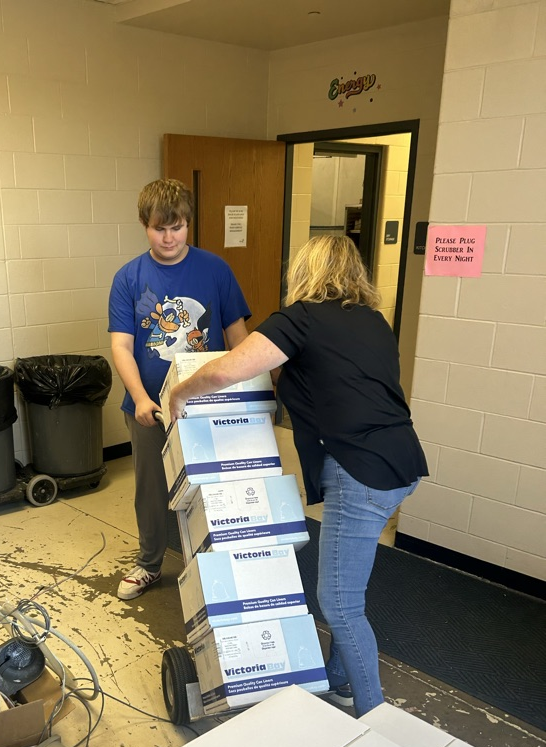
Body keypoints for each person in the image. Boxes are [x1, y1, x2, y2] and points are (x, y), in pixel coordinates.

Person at [168, 234, 428, 717]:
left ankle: (374, 717)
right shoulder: (372, 321)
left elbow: (229, 369)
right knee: (350, 587)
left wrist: (181, 390)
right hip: (402, 465)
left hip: (360, 473)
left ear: (303, 271)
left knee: (339, 602)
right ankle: (338, 679)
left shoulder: (301, 319)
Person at [109, 178, 250, 600]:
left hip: (208, 403)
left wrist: (246, 393)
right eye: (159, 228)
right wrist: (138, 398)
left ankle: (219, 565)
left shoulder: (216, 270)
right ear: (143, 225)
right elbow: (121, 345)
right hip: (149, 407)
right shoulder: (128, 278)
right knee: (150, 488)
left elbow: (240, 337)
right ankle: (150, 562)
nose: (169, 237)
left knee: (215, 486)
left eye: (178, 227)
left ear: (189, 223)